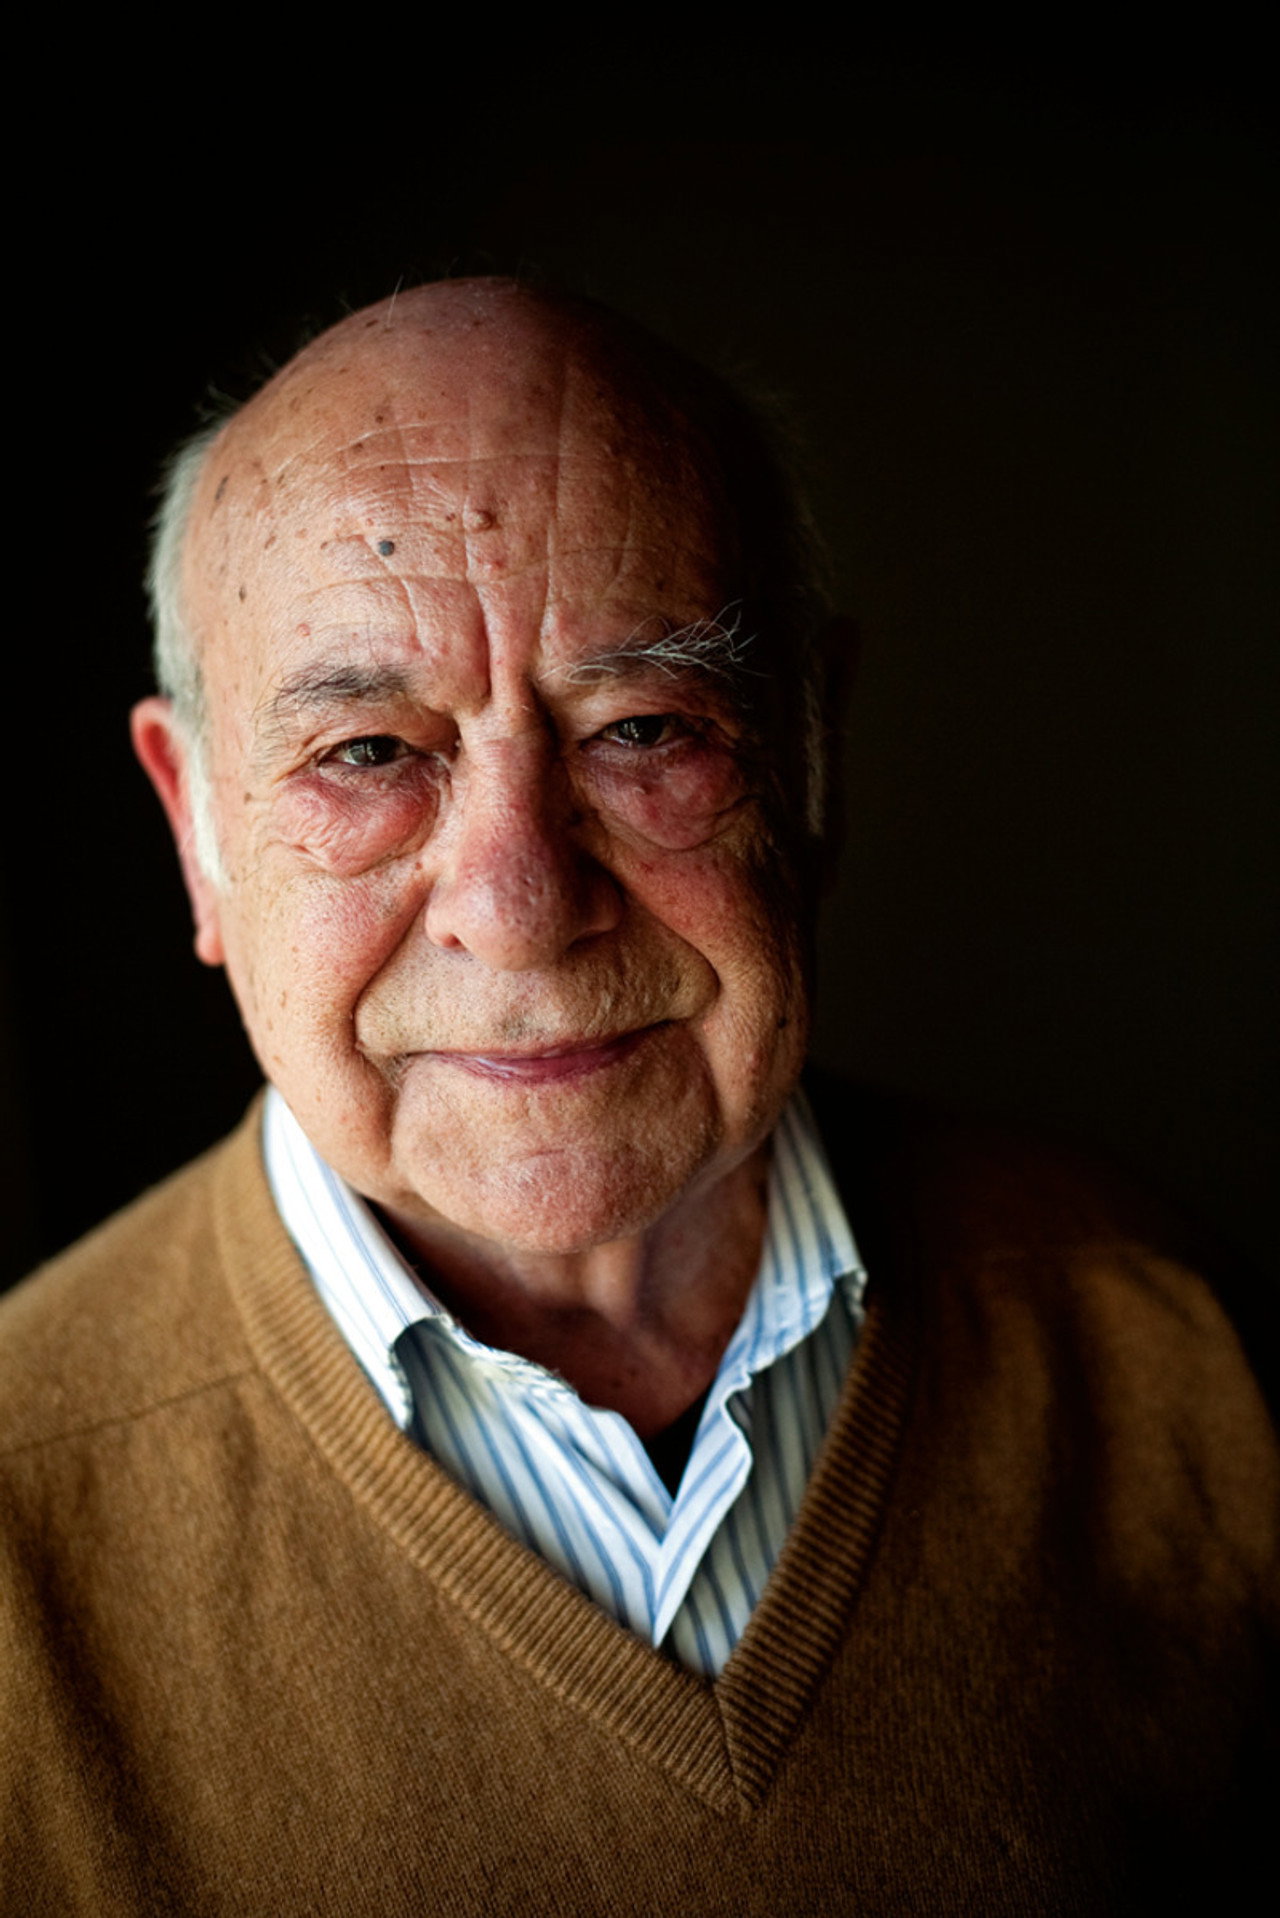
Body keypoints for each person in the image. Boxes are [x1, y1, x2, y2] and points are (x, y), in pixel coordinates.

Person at [2, 280, 1275, 1915]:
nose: (522, 906)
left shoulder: (1183, 1353)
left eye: (647, 727)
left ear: (813, 759)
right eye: (370, 753)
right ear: (198, 830)